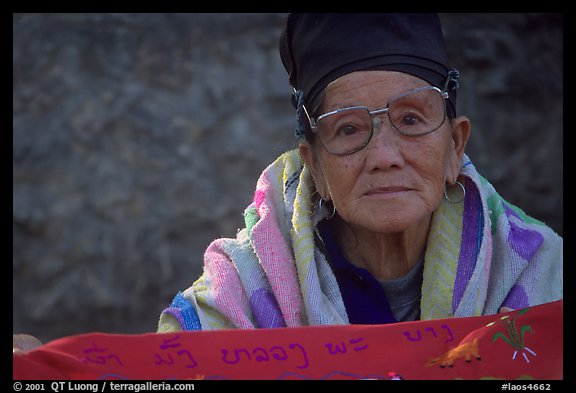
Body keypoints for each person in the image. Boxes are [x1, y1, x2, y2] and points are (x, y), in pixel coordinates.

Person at [156, 13, 563, 332]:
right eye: (348, 128)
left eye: (411, 119)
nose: (384, 156)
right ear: (315, 164)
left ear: (454, 147)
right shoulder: (236, 297)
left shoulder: (539, 271)